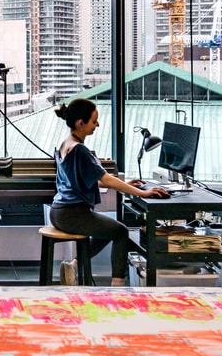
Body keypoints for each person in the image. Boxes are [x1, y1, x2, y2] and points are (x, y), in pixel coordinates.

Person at [49, 97, 169, 286]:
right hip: (72, 214)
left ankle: (74, 264)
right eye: (94, 121)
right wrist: (143, 193)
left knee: (108, 229)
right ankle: (117, 285)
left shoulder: (65, 144)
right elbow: (105, 179)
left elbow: (82, 182)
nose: (97, 125)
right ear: (81, 123)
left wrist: (127, 184)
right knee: (120, 231)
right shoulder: (79, 150)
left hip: (59, 212)